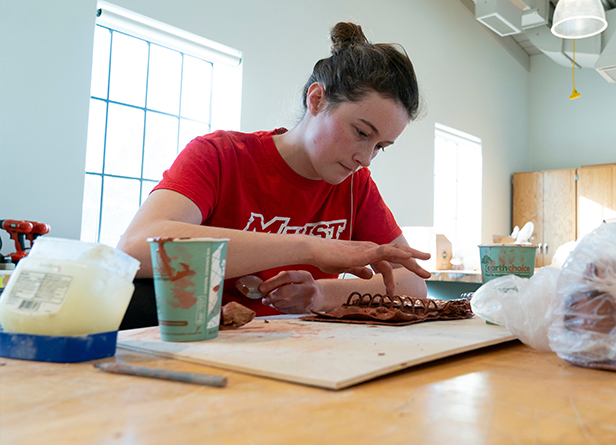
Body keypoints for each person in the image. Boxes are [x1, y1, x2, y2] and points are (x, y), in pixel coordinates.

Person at [117, 22, 430, 324]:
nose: (366, 159)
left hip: (304, 355)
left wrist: (320, 293)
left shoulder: (355, 185)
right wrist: (309, 247)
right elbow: (136, 247)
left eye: (381, 146)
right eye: (361, 133)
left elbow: (414, 284)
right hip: (207, 348)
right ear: (317, 100)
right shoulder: (221, 155)